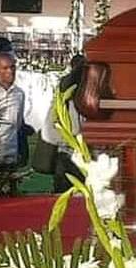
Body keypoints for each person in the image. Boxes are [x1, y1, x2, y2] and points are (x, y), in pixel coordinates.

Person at [42, 54, 86, 193]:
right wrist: (71, 140)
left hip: (90, 163)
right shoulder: (63, 100)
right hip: (67, 160)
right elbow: (48, 133)